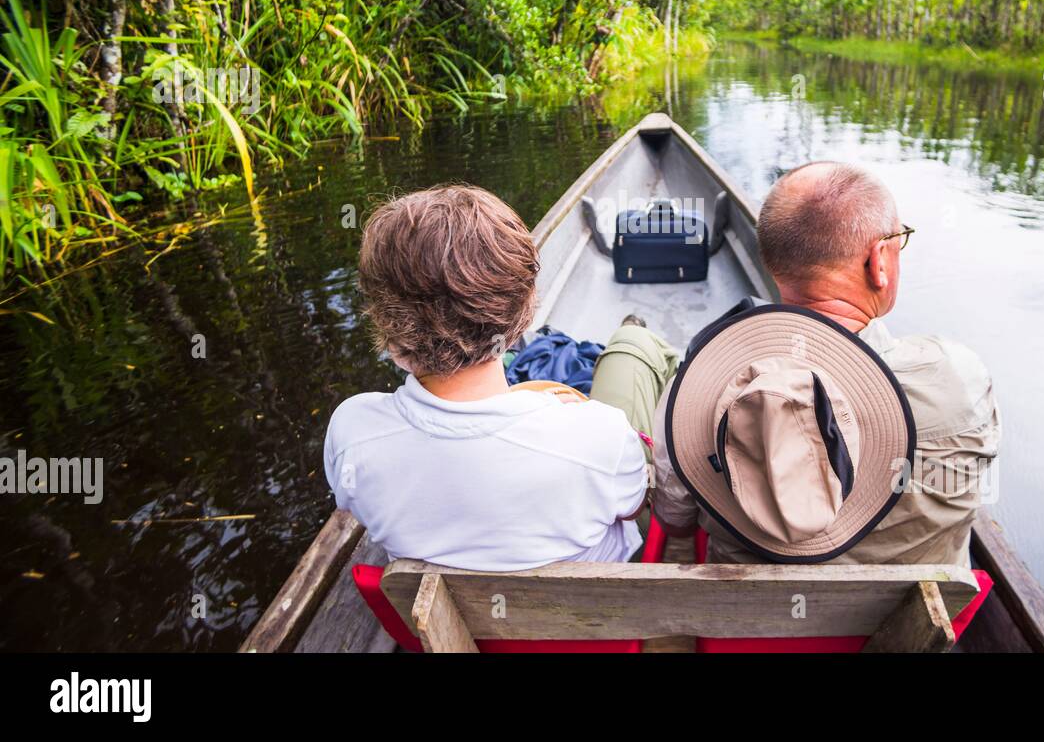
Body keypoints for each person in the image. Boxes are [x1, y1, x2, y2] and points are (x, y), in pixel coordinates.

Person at [650, 161, 1002, 567]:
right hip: (912, 624)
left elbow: (675, 518)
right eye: (898, 241)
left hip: (748, 623)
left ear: (771, 262)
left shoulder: (696, 393)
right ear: (878, 263)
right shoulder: (962, 377)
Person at [323, 184, 668, 571]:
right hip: (595, 622)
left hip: (446, 628)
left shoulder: (352, 432)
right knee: (631, 349)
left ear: (390, 331)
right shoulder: (599, 432)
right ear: (522, 312)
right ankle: (633, 335)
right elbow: (636, 505)